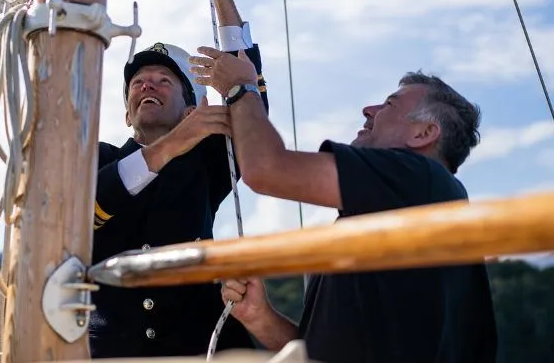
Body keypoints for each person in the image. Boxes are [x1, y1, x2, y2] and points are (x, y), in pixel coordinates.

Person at [188, 49, 498, 363]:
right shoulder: (412, 201)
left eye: (389, 104)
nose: (368, 110)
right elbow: (318, 351)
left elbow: (266, 169)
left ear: (424, 133)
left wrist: (242, 88)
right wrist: (260, 317)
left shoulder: (420, 178)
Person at [87, 0, 269, 358]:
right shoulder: (95, 158)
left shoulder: (208, 162)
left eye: (164, 80)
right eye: (138, 82)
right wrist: (173, 144)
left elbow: (250, 103)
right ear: (127, 114)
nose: (147, 85)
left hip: (201, 349)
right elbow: (89, 206)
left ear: (193, 109)